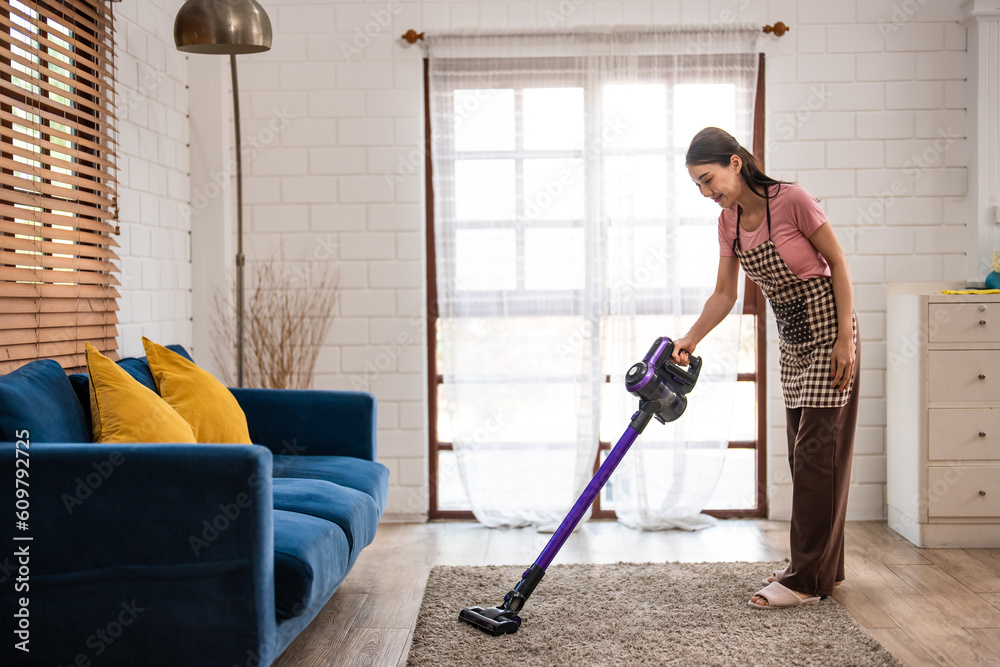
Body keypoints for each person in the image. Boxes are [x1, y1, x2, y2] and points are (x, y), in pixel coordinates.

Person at [672, 127, 859, 610]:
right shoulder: (728, 225)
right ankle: (824, 567)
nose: (706, 193)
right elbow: (725, 294)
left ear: (735, 163)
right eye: (698, 186)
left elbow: (837, 265)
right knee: (807, 457)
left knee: (818, 456)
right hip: (793, 338)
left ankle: (803, 581)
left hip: (829, 330)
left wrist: (844, 340)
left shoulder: (793, 200)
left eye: (708, 180)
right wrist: (690, 337)